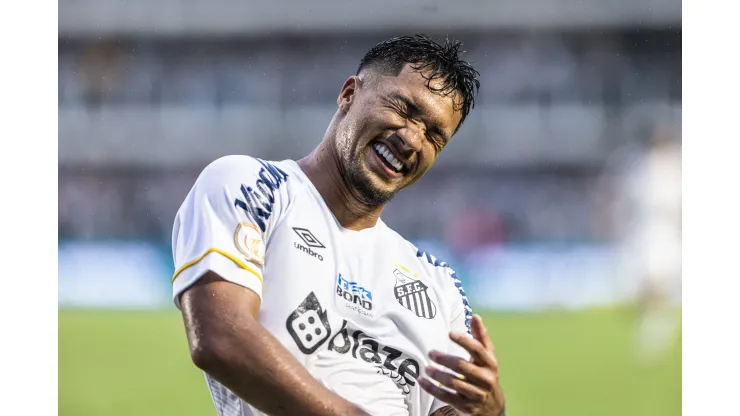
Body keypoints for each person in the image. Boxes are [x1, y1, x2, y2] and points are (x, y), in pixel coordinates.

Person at [171, 34, 506, 416]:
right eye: (405, 110)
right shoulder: (251, 185)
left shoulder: (440, 285)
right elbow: (219, 339)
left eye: (434, 135)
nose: (412, 139)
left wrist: (490, 410)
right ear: (349, 93)